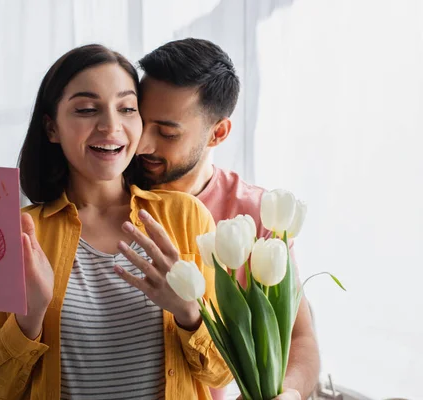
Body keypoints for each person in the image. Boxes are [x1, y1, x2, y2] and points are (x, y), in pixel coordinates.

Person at [0, 44, 232, 399]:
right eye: (85, 109)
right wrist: (31, 316)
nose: (111, 125)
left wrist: (189, 312)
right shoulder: (15, 233)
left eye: (127, 108)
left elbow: (221, 372)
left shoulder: (187, 216)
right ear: (51, 128)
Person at [135, 38, 320, 400]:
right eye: (138, 121)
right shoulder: (107, 193)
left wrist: (290, 393)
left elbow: (301, 339)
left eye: (167, 133)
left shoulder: (257, 217)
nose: (141, 144)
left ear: (217, 132)